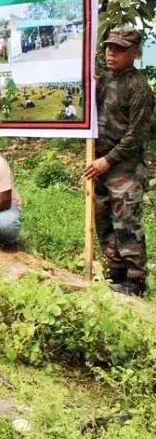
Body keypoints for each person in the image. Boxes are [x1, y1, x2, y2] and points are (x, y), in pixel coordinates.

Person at [84, 25, 153, 296]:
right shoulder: (102, 80)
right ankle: (115, 272)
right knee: (103, 218)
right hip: (99, 162)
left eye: (119, 49)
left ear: (134, 53)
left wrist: (108, 160)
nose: (111, 53)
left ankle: (135, 281)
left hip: (124, 167)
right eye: (109, 47)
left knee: (126, 221)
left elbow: (136, 135)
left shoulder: (138, 88)